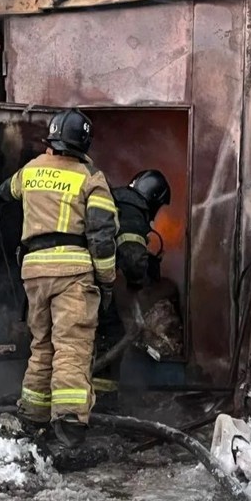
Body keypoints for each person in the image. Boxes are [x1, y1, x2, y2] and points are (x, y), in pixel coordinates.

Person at [0, 108, 118, 448]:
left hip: (34, 273)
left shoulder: (32, 170)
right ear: (83, 143)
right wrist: (106, 279)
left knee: (42, 345)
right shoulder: (91, 178)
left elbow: (6, 192)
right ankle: (68, 422)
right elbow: (102, 236)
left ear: (51, 140)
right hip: (73, 275)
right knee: (73, 346)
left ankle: (33, 416)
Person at [92, 170, 172, 401]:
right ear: (154, 198)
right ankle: (103, 404)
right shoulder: (132, 211)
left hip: (78, 278)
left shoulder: (118, 200)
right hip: (89, 283)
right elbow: (132, 258)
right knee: (111, 335)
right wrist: (139, 281)